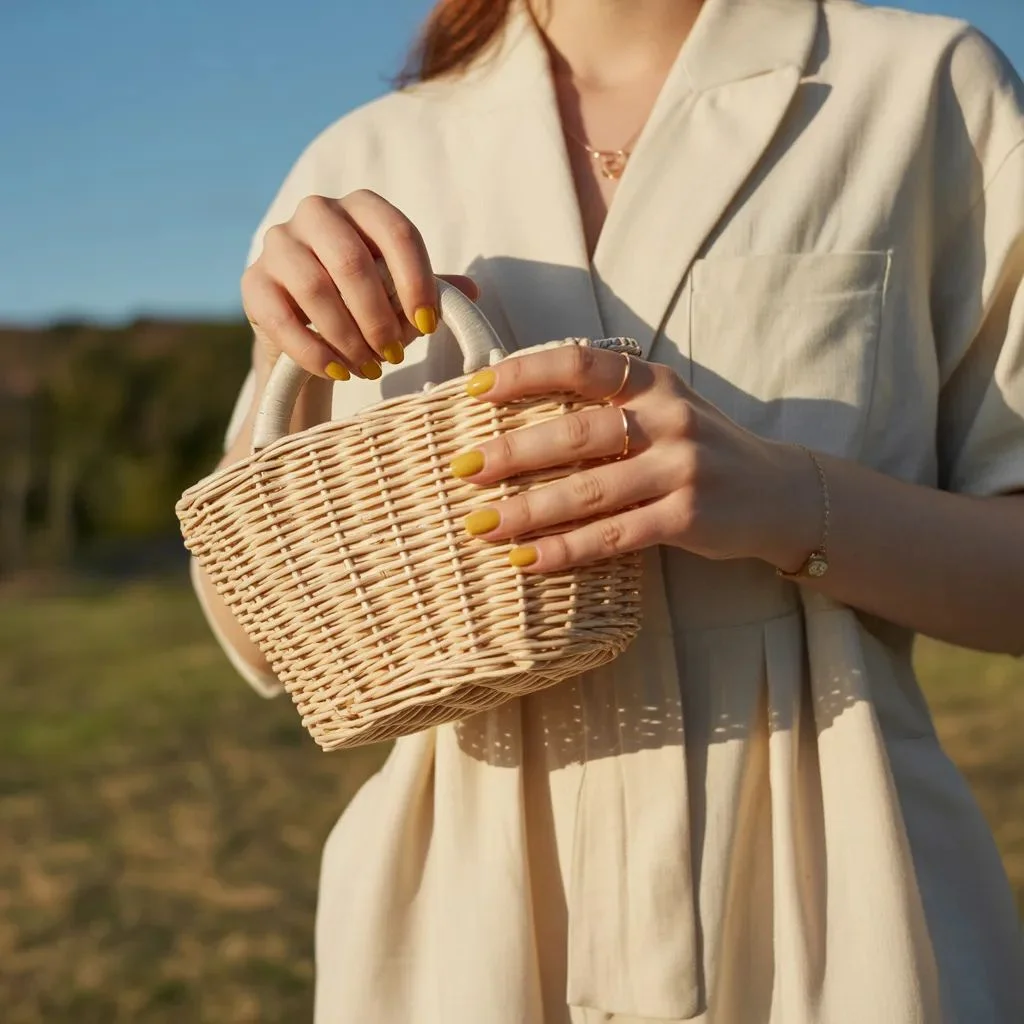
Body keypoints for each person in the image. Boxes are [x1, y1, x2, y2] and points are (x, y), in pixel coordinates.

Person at [189, 0, 1024, 1020]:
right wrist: (289, 353)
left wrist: (786, 499)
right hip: (463, 932)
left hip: (837, 903)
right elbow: (262, 648)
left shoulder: (921, 85)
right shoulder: (368, 153)